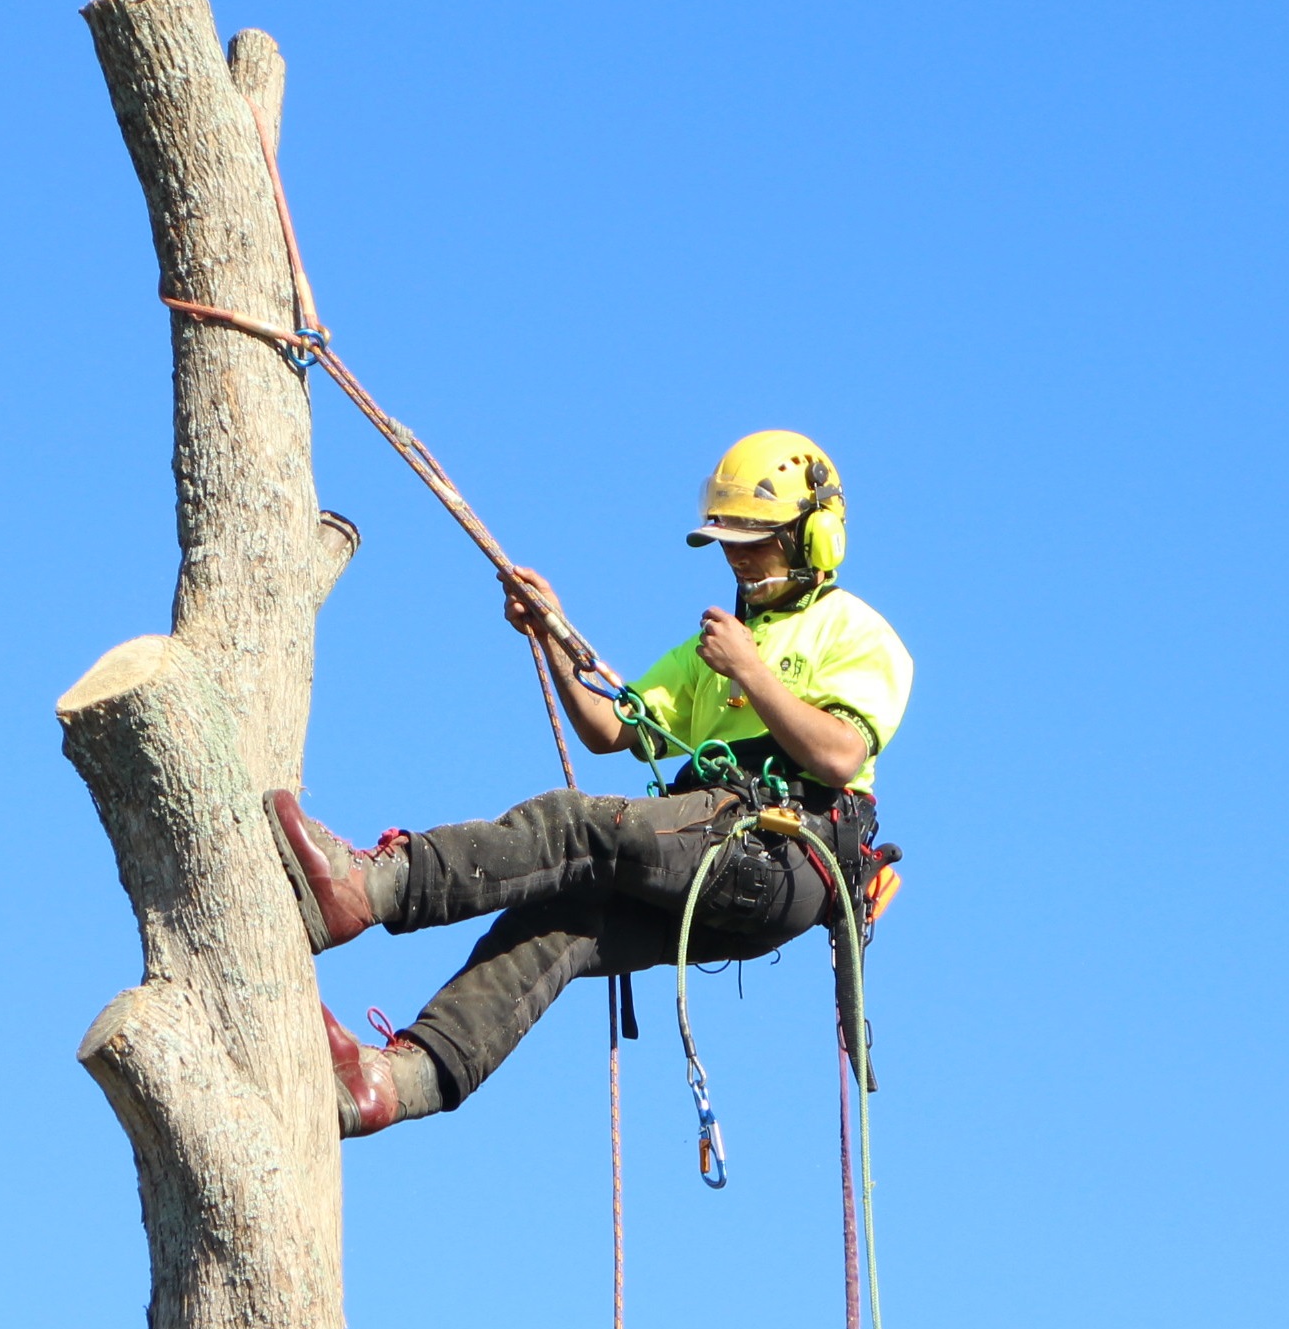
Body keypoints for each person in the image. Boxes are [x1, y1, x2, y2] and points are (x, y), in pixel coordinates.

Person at [267, 431, 913, 1136]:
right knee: (555, 923)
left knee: (573, 824)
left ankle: (362, 889)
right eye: (729, 542)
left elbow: (839, 756)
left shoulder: (853, 632)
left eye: (754, 541)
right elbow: (610, 730)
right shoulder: (714, 649)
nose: (736, 558)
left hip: (785, 854)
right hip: (715, 853)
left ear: (813, 538)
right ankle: (397, 1082)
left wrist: (752, 674)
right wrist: (551, 636)